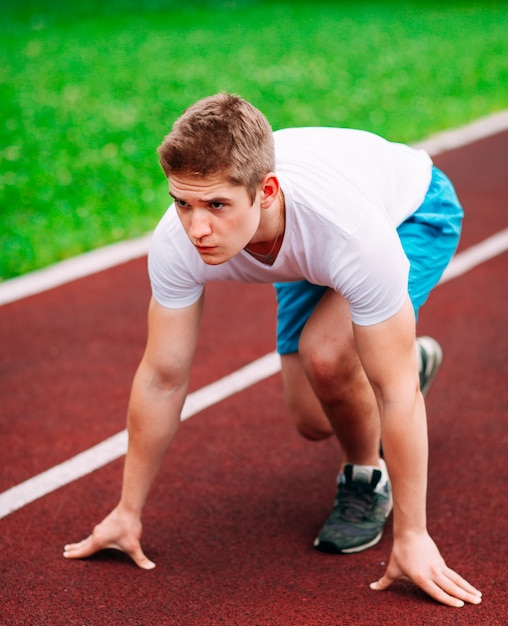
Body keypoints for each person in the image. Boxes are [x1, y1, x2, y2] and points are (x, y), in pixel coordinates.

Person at [64, 93, 482, 608]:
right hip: (299, 247)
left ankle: (365, 477)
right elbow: (162, 376)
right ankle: (409, 355)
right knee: (312, 418)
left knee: (330, 355)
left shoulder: (351, 234)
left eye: (217, 205)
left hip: (410, 212)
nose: (197, 228)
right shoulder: (180, 240)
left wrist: (413, 536)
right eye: (182, 202)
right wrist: (128, 511)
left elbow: (395, 393)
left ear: (265, 191)